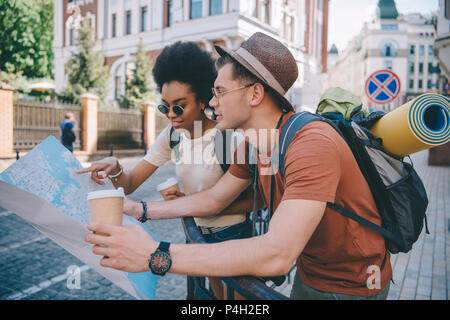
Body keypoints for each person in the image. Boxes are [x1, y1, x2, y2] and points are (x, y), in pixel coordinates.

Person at [84, 32, 392, 300]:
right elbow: (215, 198)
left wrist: (156, 254)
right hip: (312, 271)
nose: (212, 102)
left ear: (256, 94)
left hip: (351, 284)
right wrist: (140, 210)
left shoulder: (312, 144)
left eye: (220, 91)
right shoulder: (254, 142)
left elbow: (277, 255)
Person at [77, 41, 254, 300]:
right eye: (164, 106)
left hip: (232, 235)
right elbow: (129, 184)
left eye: (179, 106)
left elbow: (255, 201)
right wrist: (115, 168)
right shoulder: (172, 136)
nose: (171, 114)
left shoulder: (230, 137)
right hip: (197, 234)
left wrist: (198, 206)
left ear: (203, 99)